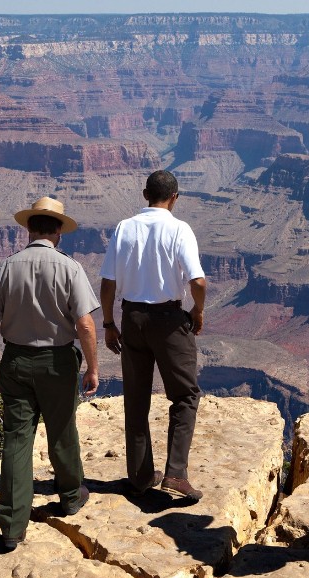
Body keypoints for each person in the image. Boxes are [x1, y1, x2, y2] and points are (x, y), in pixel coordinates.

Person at [0, 196, 100, 550]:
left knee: (16, 439)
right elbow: (86, 324)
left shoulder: (5, 268)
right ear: (59, 232)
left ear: (29, 229)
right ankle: (70, 497)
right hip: (57, 361)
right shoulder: (69, 268)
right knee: (62, 428)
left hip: (15, 360)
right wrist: (93, 367)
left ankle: (12, 527)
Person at [100, 170, 207, 501]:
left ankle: (141, 476)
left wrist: (108, 323)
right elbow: (198, 282)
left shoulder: (124, 227)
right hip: (169, 320)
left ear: (145, 194)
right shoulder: (179, 229)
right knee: (185, 396)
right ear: (175, 197)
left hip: (132, 318)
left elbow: (107, 283)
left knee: (136, 399)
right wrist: (197, 312)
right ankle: (175, 474)